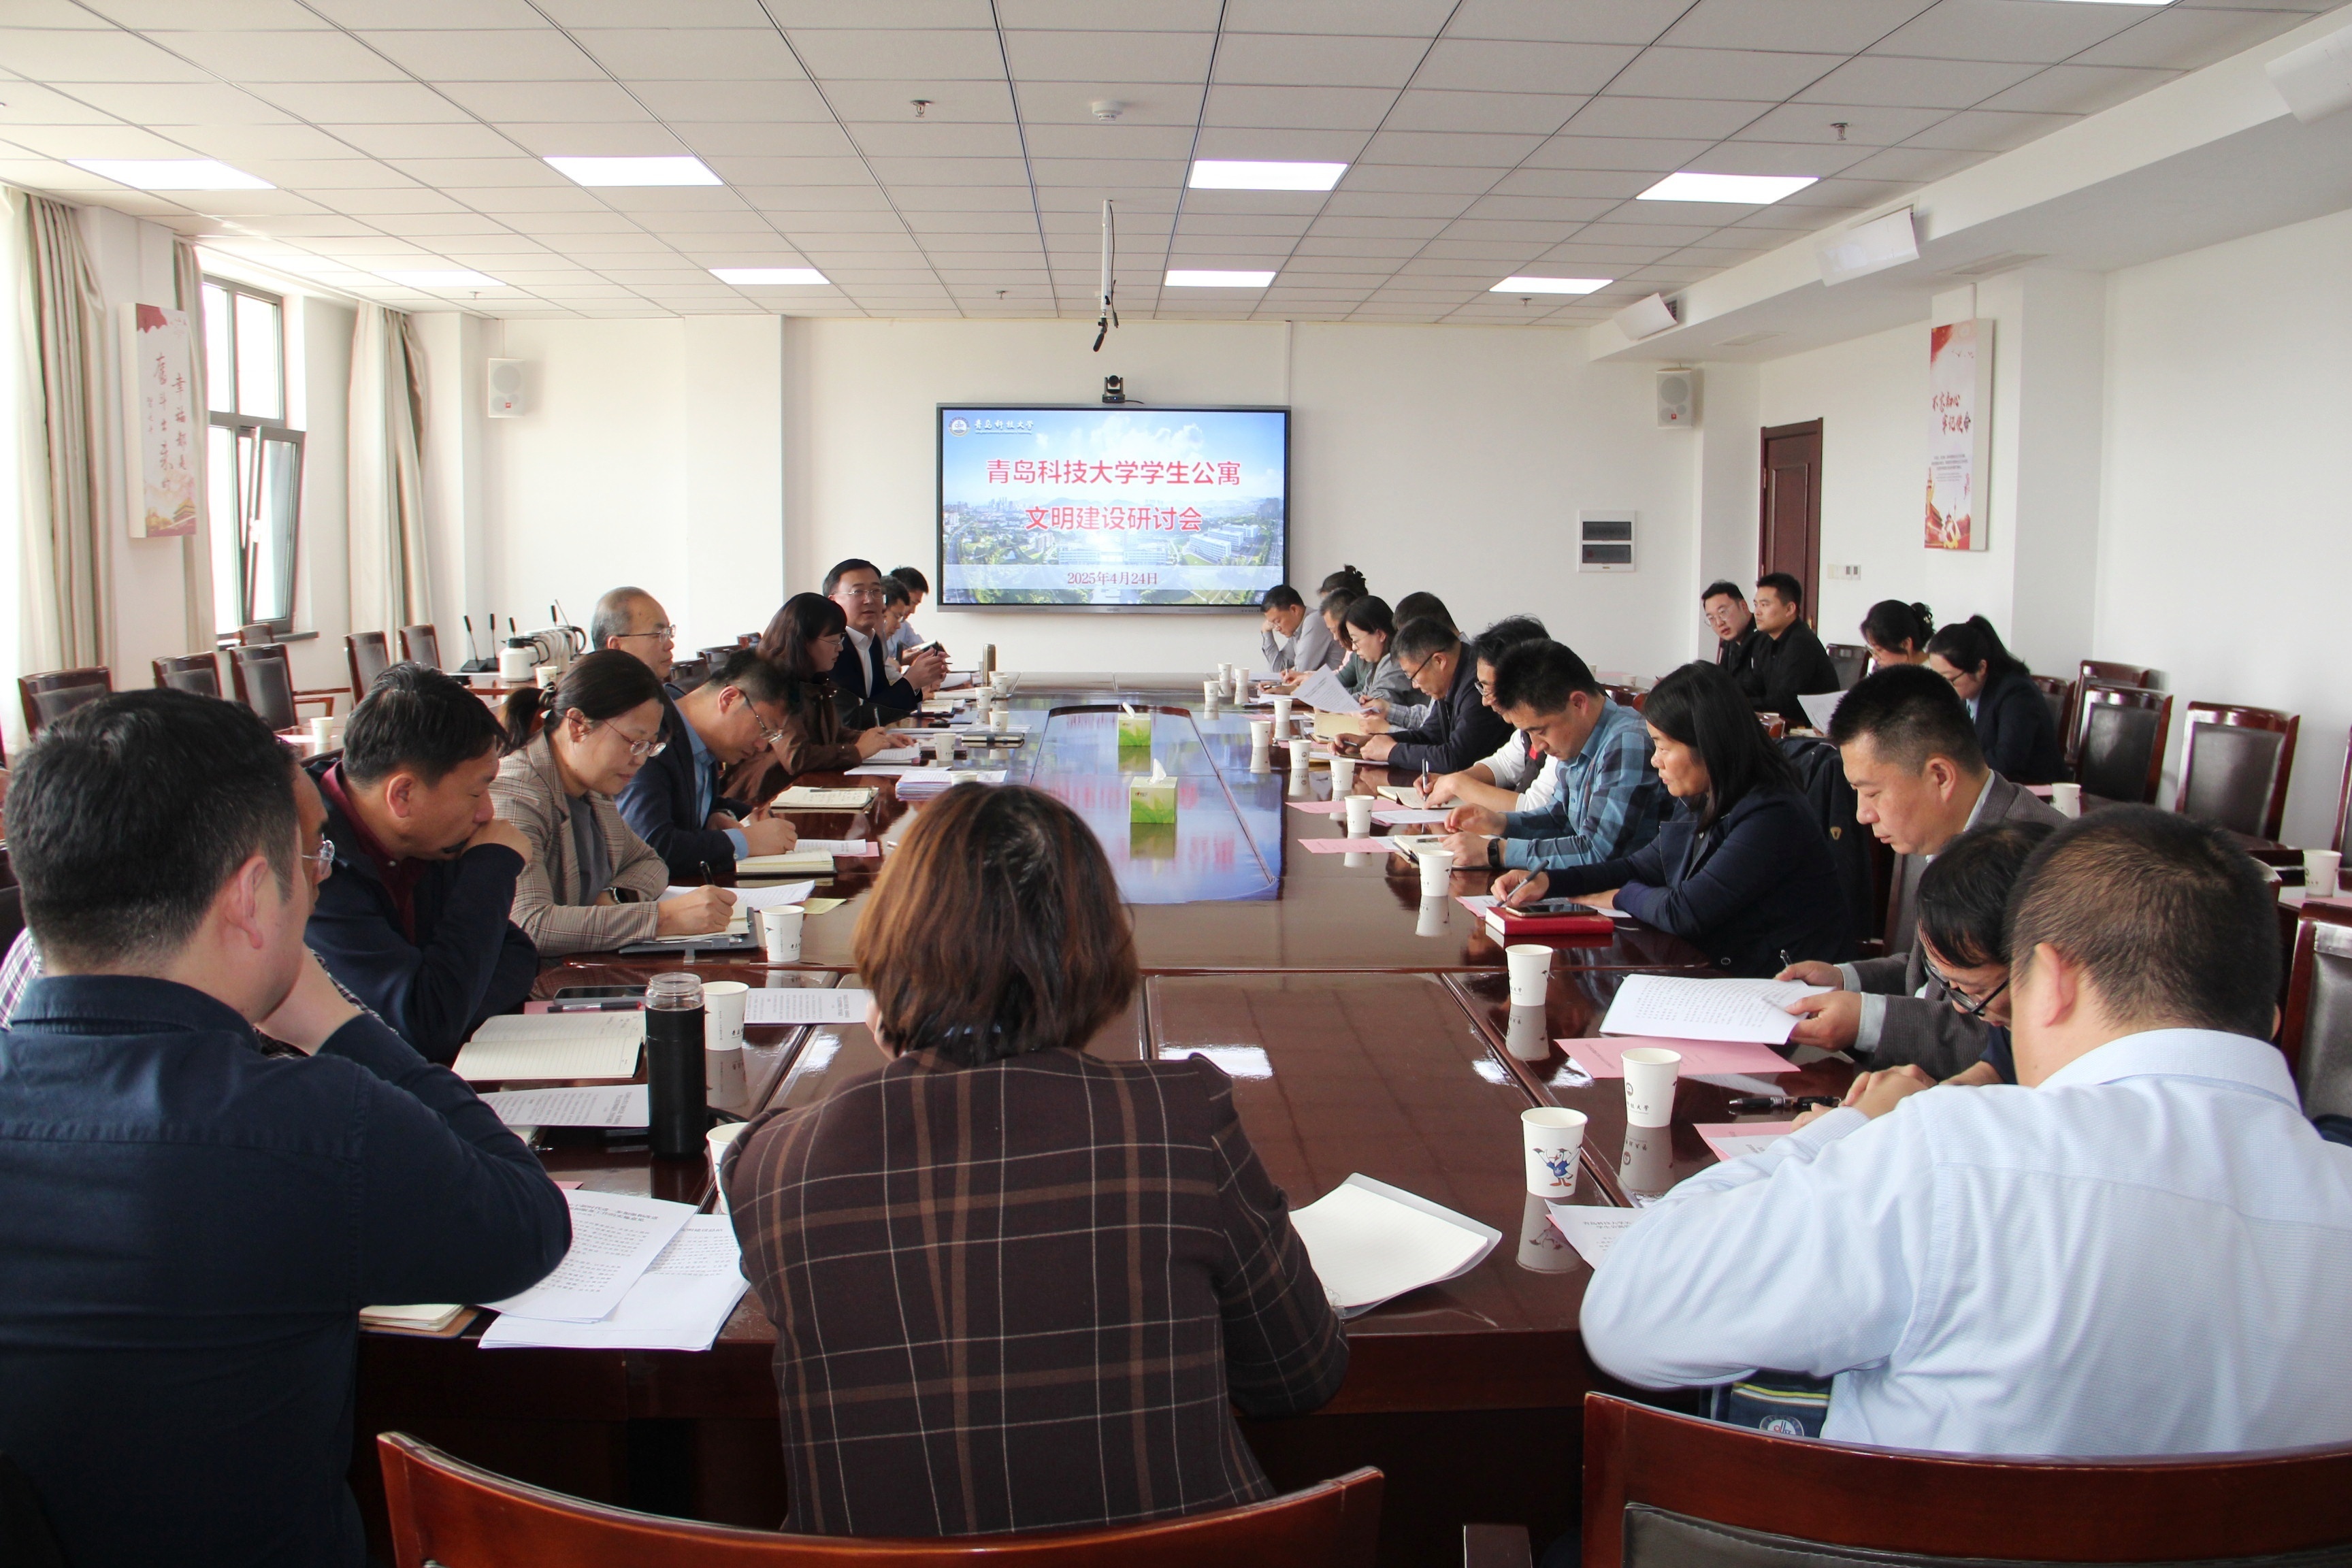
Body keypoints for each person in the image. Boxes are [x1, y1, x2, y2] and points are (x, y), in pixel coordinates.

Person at [1583, 806, 2352, 1458]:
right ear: (2269, 1018)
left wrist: (1843, 1130)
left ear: (2051, 981)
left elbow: (1632, 1315)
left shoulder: (1959, 1159)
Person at [0, 690, 568, 1568]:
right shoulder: (313, 1124)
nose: (322, 882)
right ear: (250, 897)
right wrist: (337, 1023)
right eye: (313, 859)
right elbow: (527, 1225)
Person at [725, 784, 1346, 1537]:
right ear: (1096, 950)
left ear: (887, 950)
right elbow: (1298, 1375)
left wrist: (912, 1051)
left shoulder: (773, 1165)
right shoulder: (1177, 1121)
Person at [1777, 665, 2065, 1075]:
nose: (1862, 814)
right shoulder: (1942, 830)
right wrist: (1846, 980)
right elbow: (1933, 977)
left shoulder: (2041, 865)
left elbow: (2016, 1037)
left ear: (1940, 776)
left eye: (1871, 792)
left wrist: (1868, 1021)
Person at [1494, 662, 1850, 975]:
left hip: (1779, 990)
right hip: (1721, 972)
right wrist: (1549, 882)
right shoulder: (1703, 796)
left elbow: (1685, 911)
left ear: (1708, 744)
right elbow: (1641, 866)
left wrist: (1619, 896)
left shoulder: (1771, 815)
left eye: (1663, 747)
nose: (1655, 760)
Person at [305, 663, 538, 1064]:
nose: (487, 813)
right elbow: (425, 1027)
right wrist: (490, 867)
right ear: (403, 795)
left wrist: (451, 1003)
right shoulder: (311, 862)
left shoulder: (428, 839)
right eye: (476, 793)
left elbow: (518, 957)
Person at [491, 651, 734, 956]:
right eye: (633, 742)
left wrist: (616, 898)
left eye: (649, 746)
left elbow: (651, 863)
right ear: (578, 725)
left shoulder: (593, 786)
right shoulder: (517, 796)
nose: (640, 760)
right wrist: (663, 918)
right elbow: (530, 926)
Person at [1439, 640, 1669, 876]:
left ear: (1578, 703)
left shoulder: (1627, 743)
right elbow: (1559, 819)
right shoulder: (1579, 739)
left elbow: (1597, 852)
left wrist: (1497, 851)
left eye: (1540, 731)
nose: (1537, 746)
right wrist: (1500, 823)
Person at [616, 649, 801, 882]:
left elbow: (693, 802)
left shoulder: (701, 739)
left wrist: (721, 814)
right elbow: (652, 846)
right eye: (764, 728)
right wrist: (745, 842)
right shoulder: (656, 736)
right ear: (729, 699)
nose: (762, 746)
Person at [750, 592, 909, 779]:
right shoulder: (777, 686)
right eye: (834, 641)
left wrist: (875, 740)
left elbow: (833, 735)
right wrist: (857, 751)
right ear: (803, 642)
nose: (840, 648)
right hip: (774, 789)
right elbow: (797, 758)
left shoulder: (816, 680)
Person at [1355, 615, 1514, 776]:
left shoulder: (1477, 686)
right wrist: (1371, 743)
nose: (1415, 685)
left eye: (1413, 676)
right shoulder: (1451, 678)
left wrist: (1392, 751)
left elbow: (1455, 759)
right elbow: (1430, 736)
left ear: (1439, 661)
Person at [1925, 615, 2067, 785]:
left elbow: (2006, 761)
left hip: (2030, 790)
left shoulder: (2016, 693)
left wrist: (1952, 768)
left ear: (1981, 668)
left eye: (1950, 680)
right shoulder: (1965, 693)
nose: (1944, 688)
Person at [828, 559, 947, 723]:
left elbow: (876, 706)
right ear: (834, 601)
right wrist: (911, 685)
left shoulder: (866, 647)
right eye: (858, 591)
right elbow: (851, 721)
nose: (869, 600)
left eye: (875, 592)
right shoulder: (832, 650)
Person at [1747, 572, 1842, 730]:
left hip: (1807, 730)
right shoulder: (1764, 641)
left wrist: (1742, 702)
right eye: (1756, 605)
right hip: (1780, 725)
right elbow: (1755, 686)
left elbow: (1786, 703)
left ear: (1790, 609)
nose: (1757, 612)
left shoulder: (1801, 643)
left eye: (1765, 605)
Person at [1335, 594, 1418, 708]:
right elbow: (1364, 695)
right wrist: (1334, 704)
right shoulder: (1378, 665)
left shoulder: (1396, 662)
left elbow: (1375, 706)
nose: (1353, 647)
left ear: (1380, 634)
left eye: (1356, 640)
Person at [1276, 585, 1360, 691]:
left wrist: (1310, 681)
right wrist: (1305, 677)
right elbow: (1341, 675)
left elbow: (1357, 688)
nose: (1335, 638)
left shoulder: (1314, 620)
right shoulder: (1353, 652)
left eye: (1334, 630)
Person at [1258, 583, 1341, 674]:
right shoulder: (1296, 631)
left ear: (1294, 610)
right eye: (1273, 624)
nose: (1277, 628)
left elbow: (1300, 672)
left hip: (1337, 683)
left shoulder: (1314, 621)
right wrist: (1266, 633)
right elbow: (1279, 670)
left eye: (1278, 621)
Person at [1703, 581, 1761, 694]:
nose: (1719, 623)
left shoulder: (1764, 637)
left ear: (1743, 606)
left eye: (1723, 612)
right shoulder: (1729, 643)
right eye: (1711, 618)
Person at [1859, 600, 1935, 669]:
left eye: (1879, 649)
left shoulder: (1932, 675)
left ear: (1905, 644)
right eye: (1872, 649)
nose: (1874, 657)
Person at [884, 565, 936, 662]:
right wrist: (899, 660)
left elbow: (920, 647)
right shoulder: (866, 632)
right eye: (913, 603)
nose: (913, 611)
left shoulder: (904, 626)